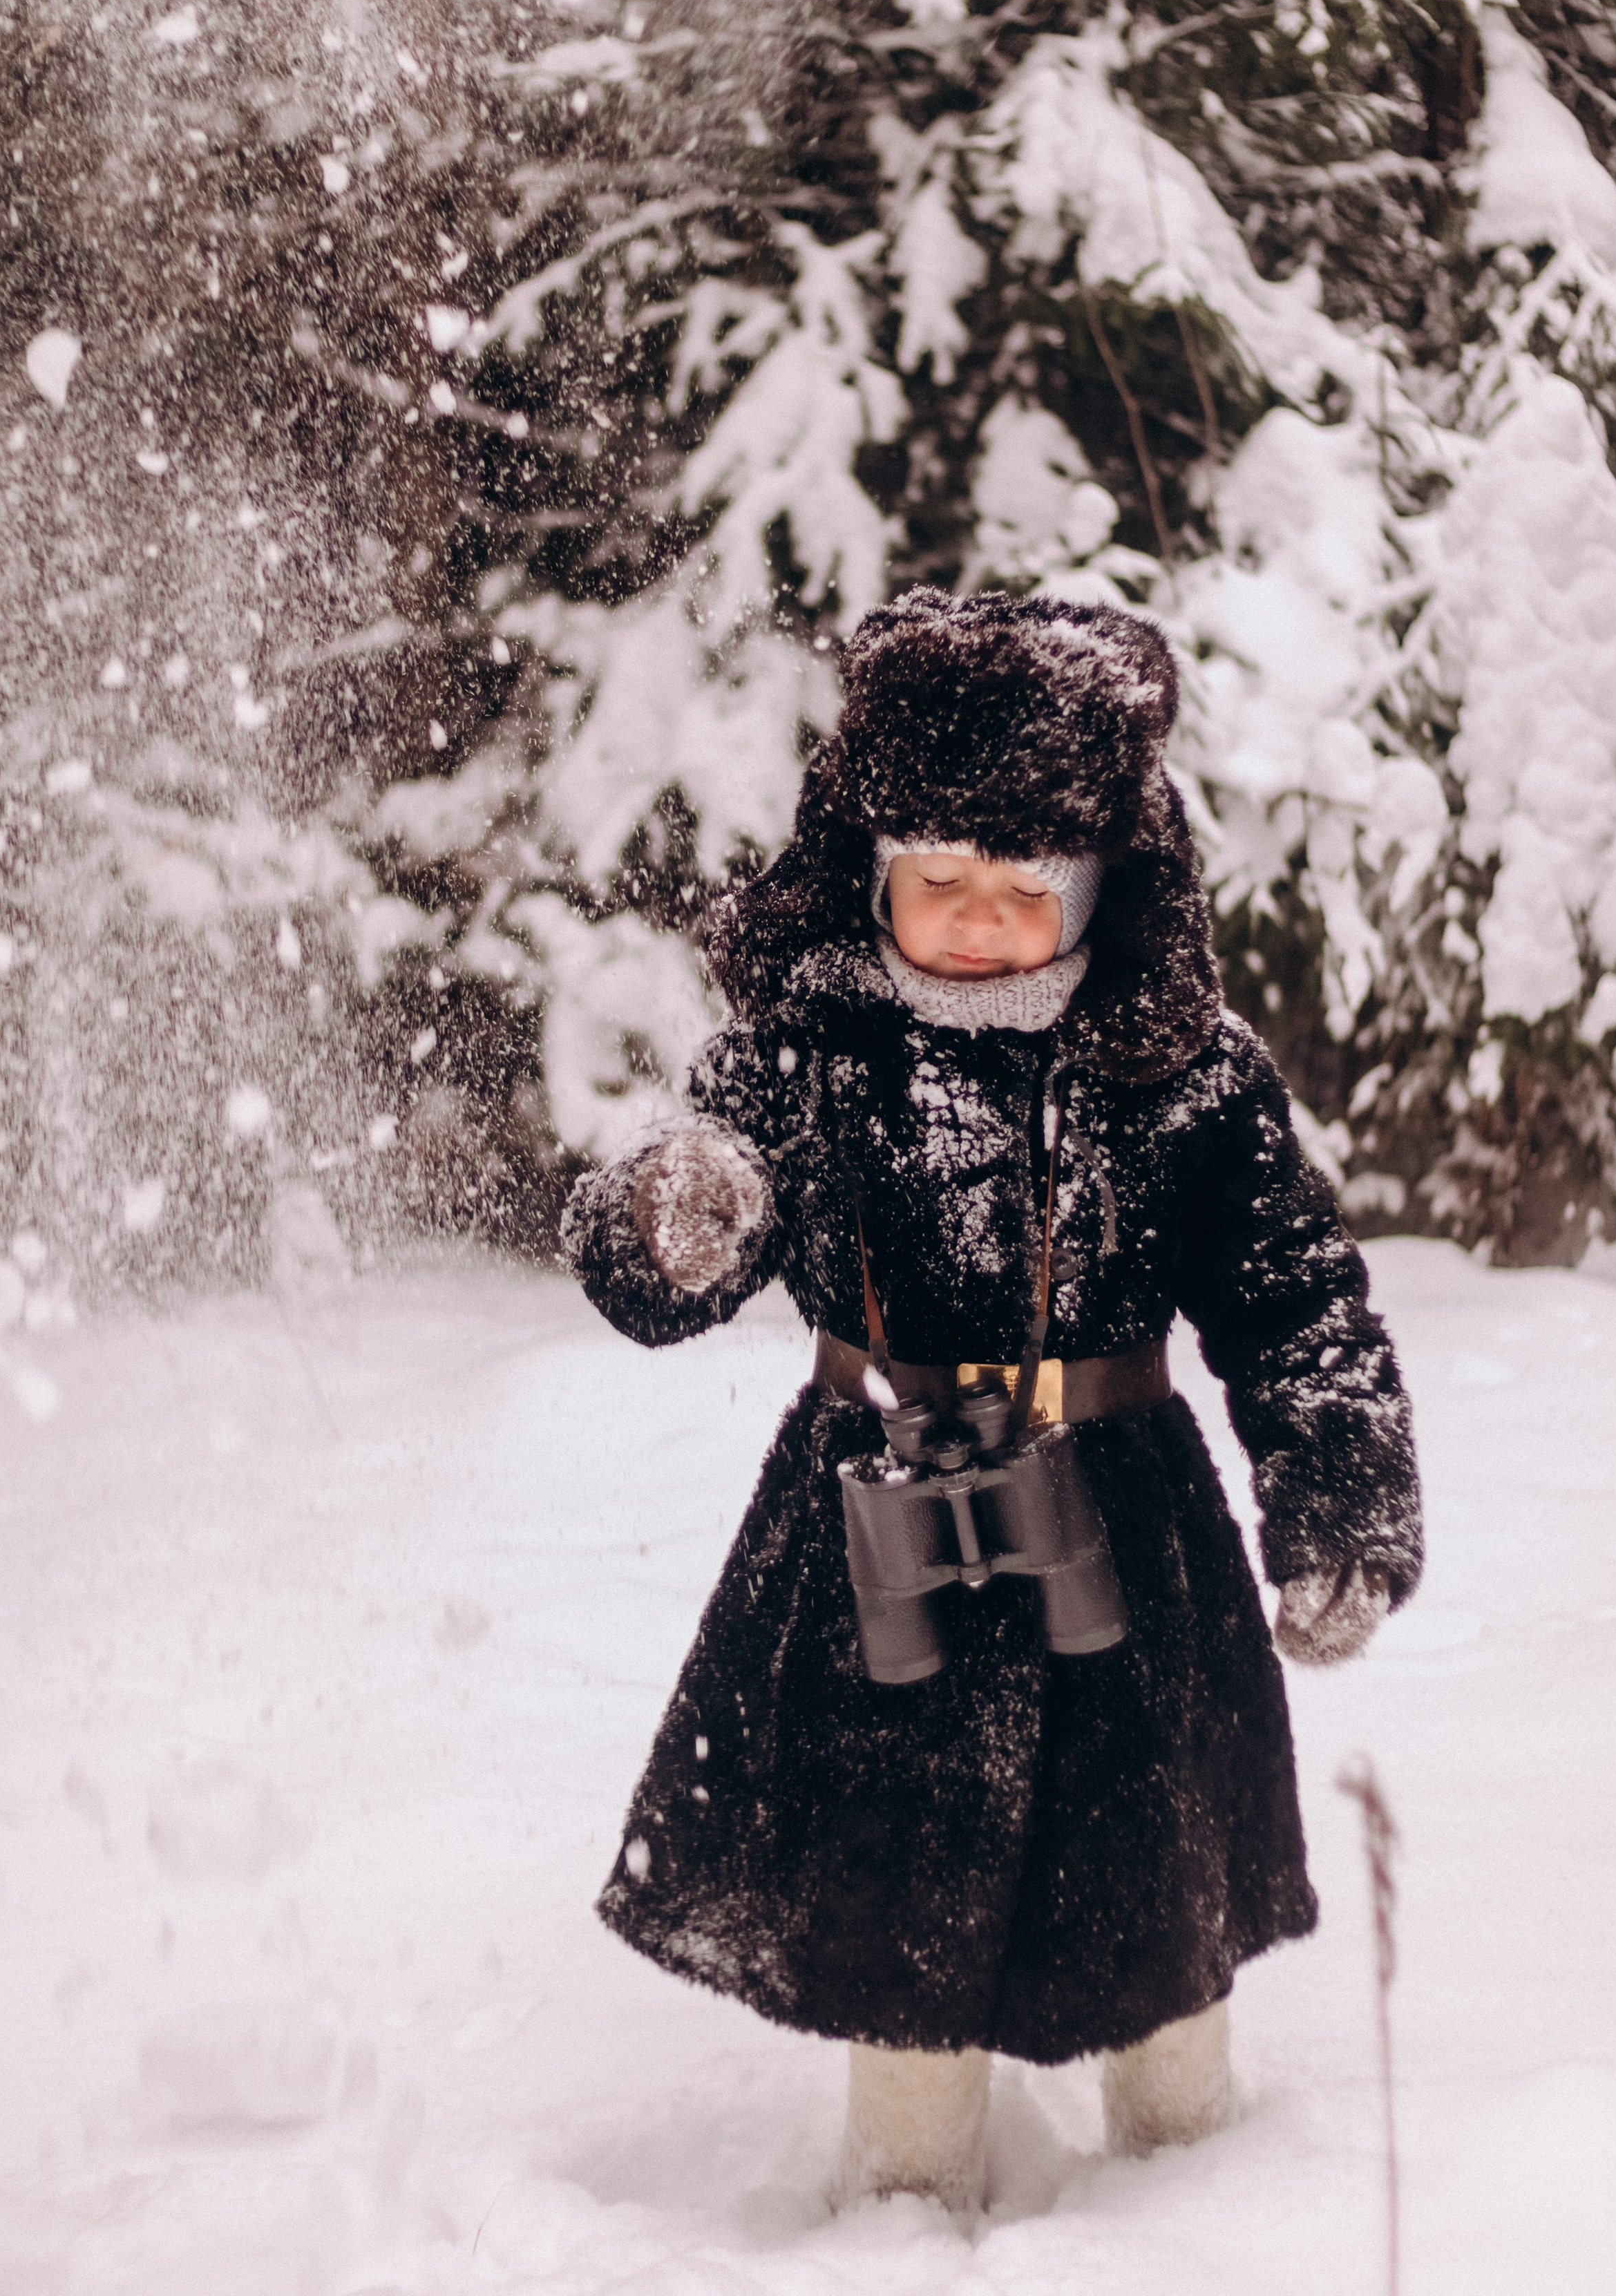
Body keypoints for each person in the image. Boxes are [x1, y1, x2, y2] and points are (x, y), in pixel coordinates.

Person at [562, 589, 1422, 2212]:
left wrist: (1338, 1498)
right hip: (871, 1515)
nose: (965, 922)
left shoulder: (1184, 1070)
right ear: (871, 863)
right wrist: (676, 1220)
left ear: (1096, 882)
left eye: (1014, 892)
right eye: (930, 882)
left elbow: (1293, 1293)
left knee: (1156, 1873)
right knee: (896, 1898)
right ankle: (898, 2200)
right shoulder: (809, 1045)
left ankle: (1198, 2187)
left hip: (1124, 1523)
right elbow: (683, 1219)